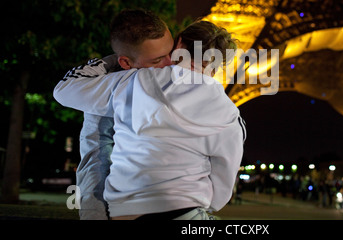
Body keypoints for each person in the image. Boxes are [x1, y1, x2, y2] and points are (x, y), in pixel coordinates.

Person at [54, 20, 246, 220]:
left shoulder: (133, 80)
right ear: (217, 66)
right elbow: (223, 184)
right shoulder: (229, 113)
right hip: (183, 211)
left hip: (123, 213)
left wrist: (117, 59)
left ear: (178, 44)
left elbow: (65, 91)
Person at [72, 9, 174, 219]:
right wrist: (94, 213)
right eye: (157, 60)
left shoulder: (173, 77)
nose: (170, 64)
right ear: (126, 63)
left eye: (171, 53)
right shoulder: (108, 92)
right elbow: (96, 154)